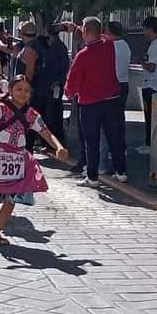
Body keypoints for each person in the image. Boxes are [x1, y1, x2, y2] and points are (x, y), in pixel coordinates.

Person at [0, 75, 68, 245]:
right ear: (11, 90)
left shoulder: (31, 114)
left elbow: (45, 132)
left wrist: (58, 146)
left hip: (18, 159)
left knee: (11, 198)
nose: (23, 93)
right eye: (19, 89)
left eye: (27, 90)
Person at [64, 17, 127, 187]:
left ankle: (92, 177)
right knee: (115, 137)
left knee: (91, 140)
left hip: (90, 103)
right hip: (112, 99)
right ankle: (121, 172)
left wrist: (68, 93)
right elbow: (98, 34)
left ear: (85, 31)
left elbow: (73, 80)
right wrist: (79, 28)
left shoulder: (83, 55)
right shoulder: (109, 45)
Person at [98, 21, 132, 174]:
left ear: (109, 32)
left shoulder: (111, 47)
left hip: (112, 86)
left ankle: (104, 160)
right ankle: (120, 149)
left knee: (107, 124)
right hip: (124, 84)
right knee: (119, 119)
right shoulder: (125, 45)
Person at [13, 21, 48, 153]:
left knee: (27, 125)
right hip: (34, 91)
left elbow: (29, 72)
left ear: (22, 33)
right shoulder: (36, 45)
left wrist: (24, 93)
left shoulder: (30, 48)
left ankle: (26, 152)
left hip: (31, 93)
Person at [136, 16, 157, 155]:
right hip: (154, 84)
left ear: (150, 29)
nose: (144, 33)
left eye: (145, 29)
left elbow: (152, 67)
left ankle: (150, 144)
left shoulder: (155, 45)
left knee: (150, 116)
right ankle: (148, 142)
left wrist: (141, 62)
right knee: (149, 116)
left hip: (151, 85)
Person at [43, 26, 70, 144]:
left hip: (55, 84)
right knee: (52, 110)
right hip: (53, 83)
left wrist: (58, 80)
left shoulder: (58, 47)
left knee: (53, 111)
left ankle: (56, 139)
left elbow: (62, 67)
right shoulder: (56, 46)